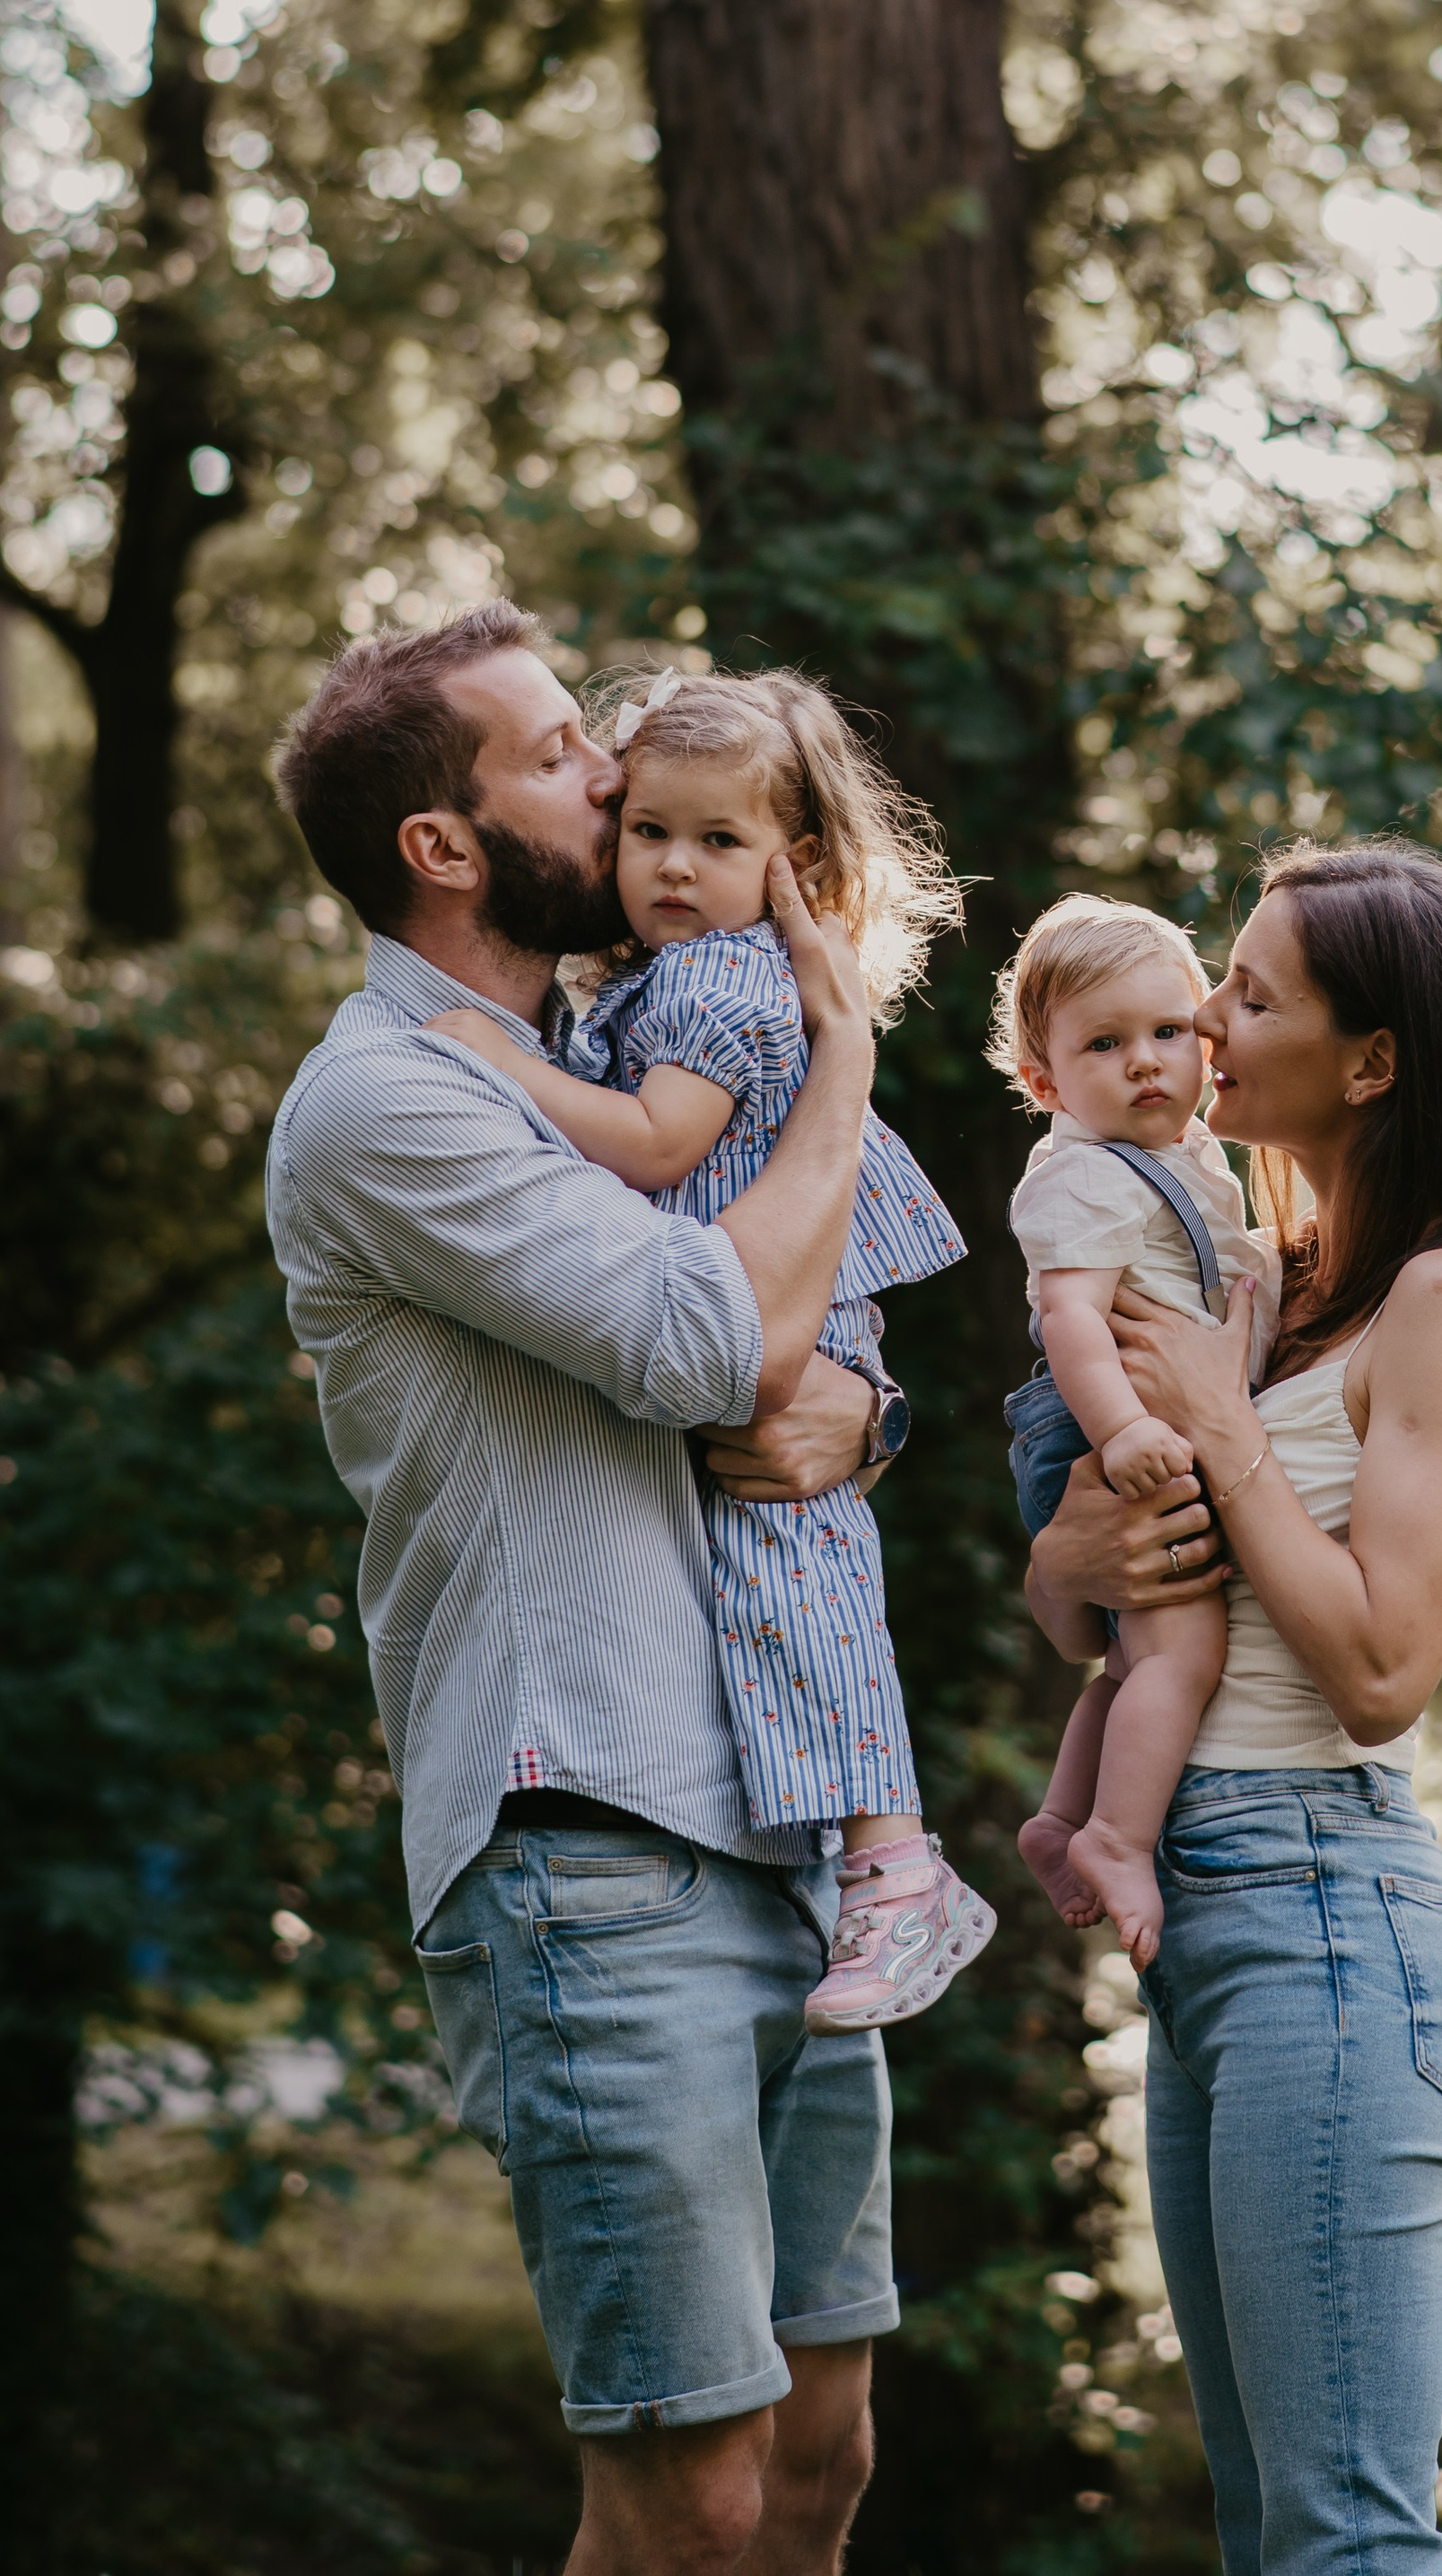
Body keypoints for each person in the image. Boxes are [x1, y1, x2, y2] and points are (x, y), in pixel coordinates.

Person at [264, 601, 906, 2576]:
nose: (617, 777)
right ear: (440, 847)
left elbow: (812, 1361)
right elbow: (713, 1342)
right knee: (689, 2489)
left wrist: (864, 1417)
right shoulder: (396, 1096)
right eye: (557, 753)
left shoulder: (625, 1033)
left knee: (820, 2461)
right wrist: (842, 1064)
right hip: (589, 1835)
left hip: (787, 1815)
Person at [1023, 840, 1442, 2576]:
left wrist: (1215, 1422)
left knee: (1345, 2542)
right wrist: (1075, 1535)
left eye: (1256, 991)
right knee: (1269, 2527)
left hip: (1329, 1923)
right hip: (1210, 1916)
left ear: (1372, 1060)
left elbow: (1377, 1670)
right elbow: (1080, 1614)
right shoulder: (1270, 1279)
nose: (1207, 1017)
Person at [426, 660, 993, 2031]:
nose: (673, 867)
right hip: (755, 1302)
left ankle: (898, 1866)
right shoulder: (665, 977)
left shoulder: (723, 988)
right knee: (780, 1570)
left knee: (801, 1572)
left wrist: (502, 1068)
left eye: (719, 842)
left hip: (790, 1309)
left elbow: (661, 1146)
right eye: (649, 832)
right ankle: (871, 1858)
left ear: (792, 867)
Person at [992, 893, 1279, 1966]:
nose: (1146, 1061)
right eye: (1104, 1044)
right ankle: (1119, 1835)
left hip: (1143, 1421)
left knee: (1128, 1665)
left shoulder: (1183, 1149)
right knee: (1184, 1647)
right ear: (1046, 1082)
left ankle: (1063, 1818)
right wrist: (1117, 1431)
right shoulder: (1080, 1173)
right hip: (1105, 1429)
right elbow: (1070, 1316)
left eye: (1167, 1031)